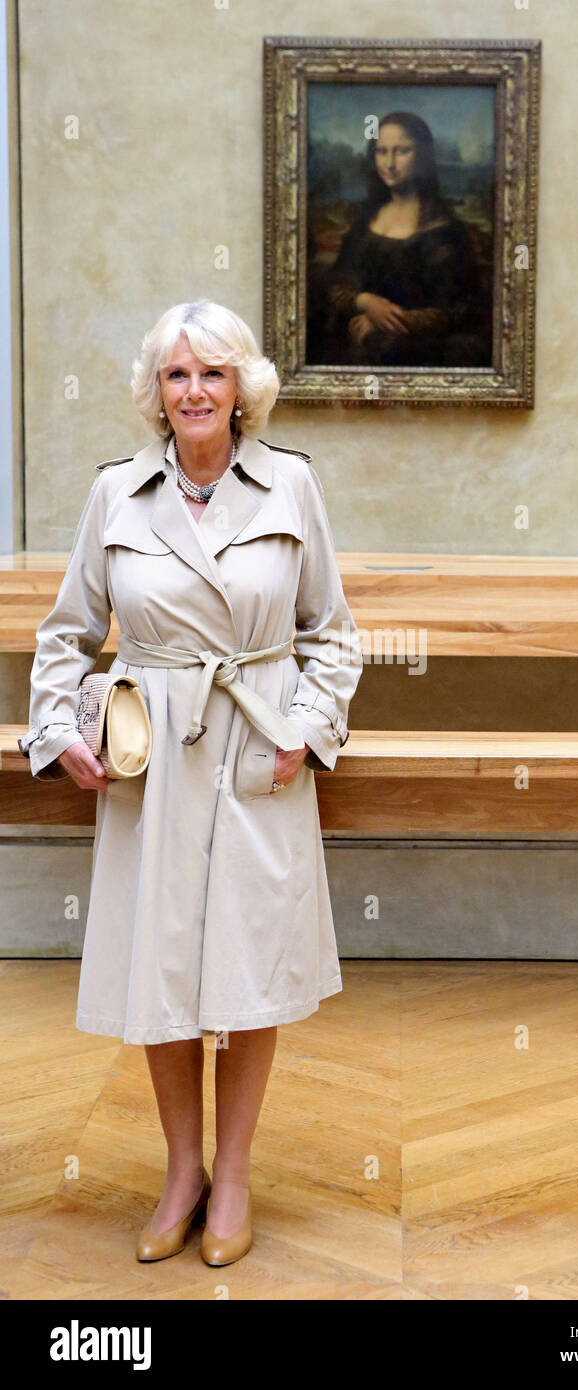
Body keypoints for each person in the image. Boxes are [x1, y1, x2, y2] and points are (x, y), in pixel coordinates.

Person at [19, 298, 364, 1267]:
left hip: (257, 746)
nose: (195, 390)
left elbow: (332, 635)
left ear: (241, 387)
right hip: (151, 757)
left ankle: (236, 1175)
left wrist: (306, 729)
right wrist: (56, 728)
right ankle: (180, 1170)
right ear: (156, 393)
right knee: (160, 964)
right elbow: (64, 636)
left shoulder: (291, 487)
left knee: (249, 968)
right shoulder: (114, 496)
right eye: (177, 375)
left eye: (212, 372)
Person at [307, 110, 491, 367]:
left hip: (419, 357)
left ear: (422, 156)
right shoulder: (367, 220)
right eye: (382, 152)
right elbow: (338, 281)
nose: (389, 163)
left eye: (402, 151)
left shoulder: (445, 232)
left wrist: (385, 321)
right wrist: (364, 301)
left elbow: (456, 312)